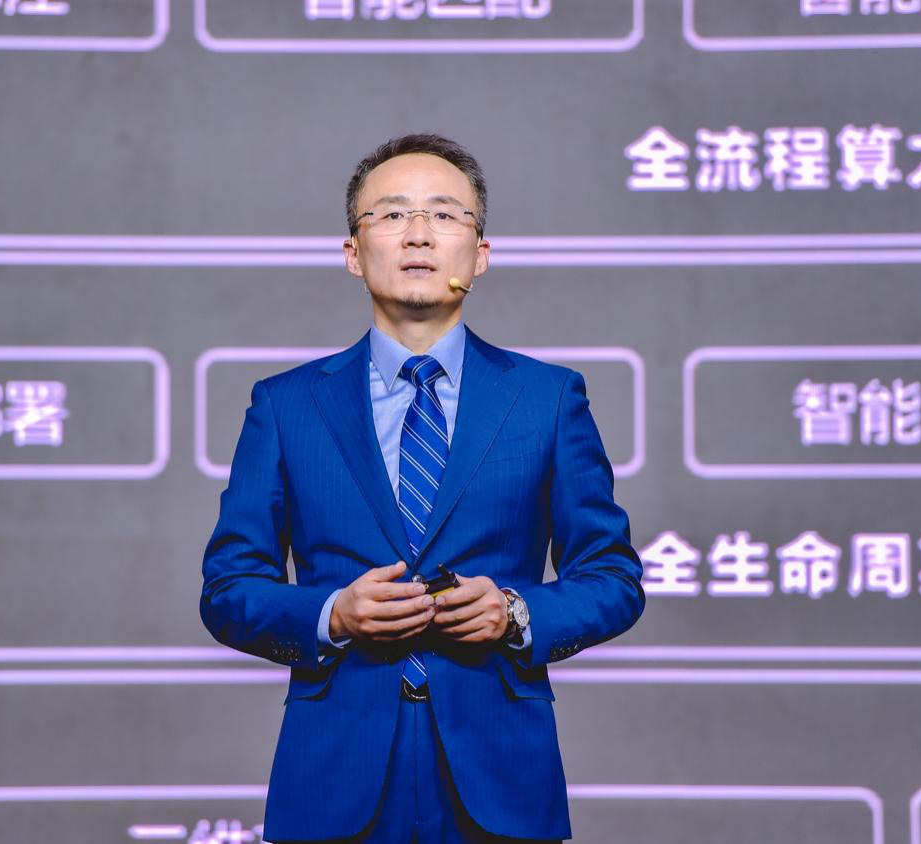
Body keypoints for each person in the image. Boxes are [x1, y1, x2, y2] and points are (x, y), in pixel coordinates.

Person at [200, 133, 645, 843]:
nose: (417, 234)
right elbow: (228, 590)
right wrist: (333, 615)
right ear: (353, 253)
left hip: (500, 773)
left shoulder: (547, 399)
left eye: (443, 214)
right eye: (390, 214)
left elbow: (612, 578)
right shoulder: (285, 406)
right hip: (334, 777)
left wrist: (515, 612)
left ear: (480, 253)